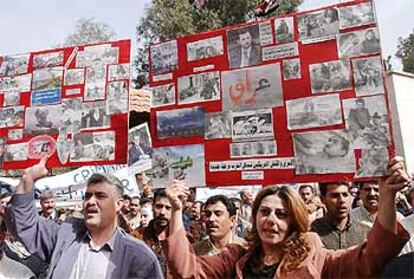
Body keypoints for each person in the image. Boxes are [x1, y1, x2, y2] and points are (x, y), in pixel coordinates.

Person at [163, 156, 410, 278]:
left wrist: (387, 195)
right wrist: (175, 210)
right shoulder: (236, 258)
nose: (271, 219)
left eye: (281, 214)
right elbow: (186, 272)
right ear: (255, 217)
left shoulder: (314, 255)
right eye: (265, 211)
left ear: (294, 220)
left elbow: (371, 258)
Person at [7, 157, 163, 278]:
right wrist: (28, 180)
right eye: (87, 196)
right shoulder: (64, 236)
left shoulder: (139, 256)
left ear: (119, 204)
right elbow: (24, 225)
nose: (90, 202)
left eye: (100, 196)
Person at [311, 182, 371, 250]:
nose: (341, 200)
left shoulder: (366, 231)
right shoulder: (313, 232)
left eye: (345, 195)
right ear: (323, 199)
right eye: (335, 196)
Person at [131, 189, 176, 278]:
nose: (163, 212)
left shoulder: (183, 239)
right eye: (159, 206)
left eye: (168, 208)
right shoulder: (136, 237)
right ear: (152, 208)